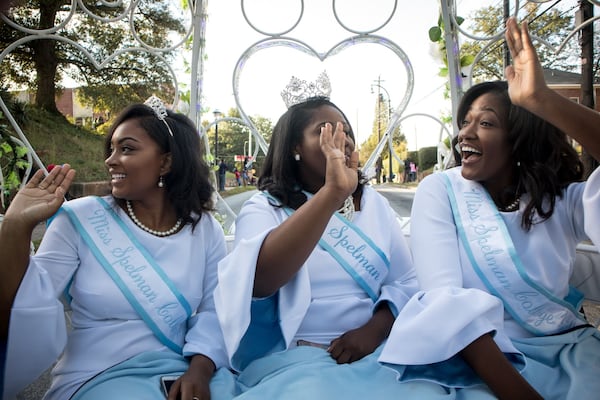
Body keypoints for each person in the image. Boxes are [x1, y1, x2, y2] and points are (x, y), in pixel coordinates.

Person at [379, 18, 600, 399]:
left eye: (486, 123)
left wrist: (540, 100)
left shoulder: (564, 199)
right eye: (465, 122)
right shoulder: (441, 190)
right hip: (474, 361)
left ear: (520, 139)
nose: (465, 133)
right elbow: (445, 303)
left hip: (565, 352)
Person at [213, 92, 452, 399]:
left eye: (348, 131)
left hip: (376, 349)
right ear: (295, 147)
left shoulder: (373, 204)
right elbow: (260, 282)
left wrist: (374, 330)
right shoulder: (264, 208)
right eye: (326, 130)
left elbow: (405, 282)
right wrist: (332, 193)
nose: (344, 139)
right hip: (292, 357)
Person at [0, 96, 232, 400]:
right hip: (96, 377)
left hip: (179, 374)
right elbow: (22, 304)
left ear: (166, 161)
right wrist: (15, 228)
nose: (110, 160)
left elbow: (215, 313)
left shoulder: (204, 229)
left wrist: (200, 371)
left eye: (127, 149)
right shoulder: (80, 218)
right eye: (111, 148)